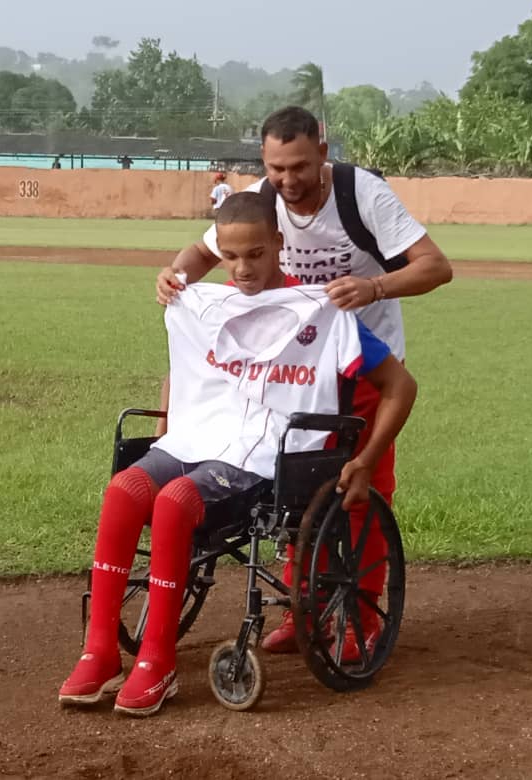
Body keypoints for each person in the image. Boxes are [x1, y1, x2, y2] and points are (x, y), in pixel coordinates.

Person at [58, 191, 417, 716]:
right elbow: (185, 372)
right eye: (230, 256)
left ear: (278, 245)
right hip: (199, 439)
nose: (243, 268)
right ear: (217, 252)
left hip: (269, 456)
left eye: (256, 254)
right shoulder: (207, 306)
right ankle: (99, 651)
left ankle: (157, 663)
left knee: (177, 502)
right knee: (123, 490)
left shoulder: (321, 310)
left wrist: (364, 460)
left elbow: (399, 386)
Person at [155, 106, 452, 657]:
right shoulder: (263, 200)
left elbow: (436, 266)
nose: (287, 181)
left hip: (359, 366)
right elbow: (202, 252)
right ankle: (304, 611)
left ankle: (361, 620)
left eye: (297, 166)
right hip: (288, 369)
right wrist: (176, 279)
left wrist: (375, 288)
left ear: (322, 148)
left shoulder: (361, 196)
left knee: (356, 497)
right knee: (292, 494)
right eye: (275, 168)